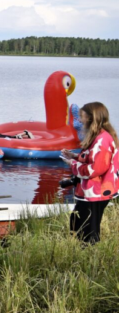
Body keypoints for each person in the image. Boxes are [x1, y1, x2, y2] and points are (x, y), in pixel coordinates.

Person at [61, 102, 119, 243]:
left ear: (92, 118)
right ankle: (84, 252)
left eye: (82, 117)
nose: (80, 120)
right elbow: (92, 157)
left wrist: (72, 164)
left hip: (97, 191)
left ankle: (88, 255)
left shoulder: (102, 140)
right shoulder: (100, 136)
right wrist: (75, 156)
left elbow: (94, 169)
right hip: (93, 191)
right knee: (78, 222)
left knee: (87, 229)